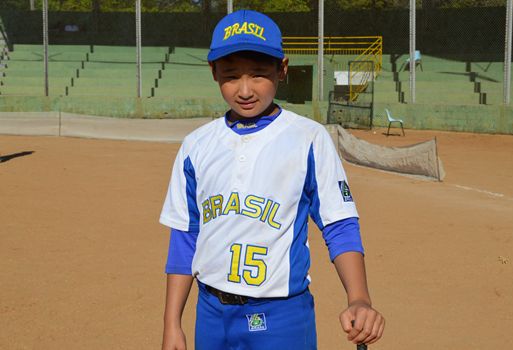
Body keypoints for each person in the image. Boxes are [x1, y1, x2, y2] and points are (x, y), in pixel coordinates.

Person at [160, 10, 385, 350]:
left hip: (281, 315)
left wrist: (359, 298)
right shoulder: (196, 146)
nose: (246, 89)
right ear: (214, 72)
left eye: (260, 74)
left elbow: (338, 224)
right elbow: (186, 237)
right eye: (231, 75)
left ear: (282, 69)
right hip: (210, 312)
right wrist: (172, 323)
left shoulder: (308, 138)